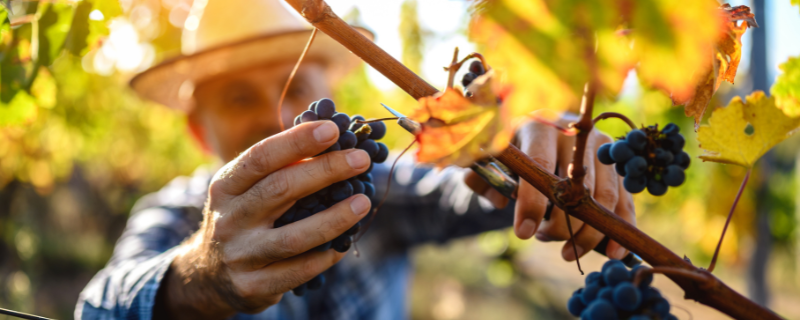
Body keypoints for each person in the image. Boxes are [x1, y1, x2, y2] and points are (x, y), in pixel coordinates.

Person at [75, 0, 636, 319]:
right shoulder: (175, 216)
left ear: (330, 93)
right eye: (240, 98)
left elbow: (451, 186)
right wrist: (198, 276)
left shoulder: (375, 191)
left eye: (297, 90)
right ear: (200, 131)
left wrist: (525, 159)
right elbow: (97, 308)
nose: (277, 117)